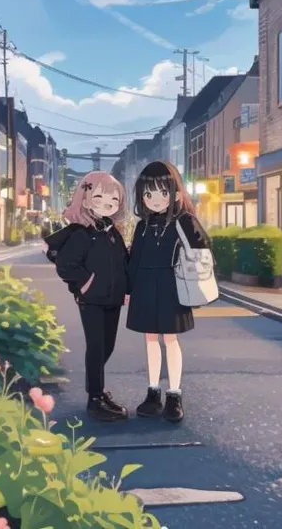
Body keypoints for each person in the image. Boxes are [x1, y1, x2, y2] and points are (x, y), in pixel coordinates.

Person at [127, 161, 211, 423]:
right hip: (145, 284)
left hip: (173, 284)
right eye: (148, 194)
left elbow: (202, 246)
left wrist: (190, 223)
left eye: (163, 193)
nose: (155, 200)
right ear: (142, 196)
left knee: (170, 339)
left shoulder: (183, 221)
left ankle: (174, 394)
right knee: (151, 339)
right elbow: (134, 259)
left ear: (175, 194)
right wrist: (129, 289)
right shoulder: (143, 226)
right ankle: (153, 392)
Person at [53, 171, 130, 422]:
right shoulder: (81, 233)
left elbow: (122, 261)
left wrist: (126, 288)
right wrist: (84, 285)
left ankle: (98, 391)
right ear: (85, 200)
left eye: (113, 200)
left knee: (107, 345)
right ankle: (94, 398)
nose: (107, 204)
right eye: (99, 197)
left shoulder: (111, 231)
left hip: (113, 299)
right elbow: (66, 265)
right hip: (92, 300)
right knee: (96, 347)